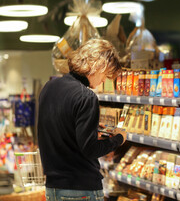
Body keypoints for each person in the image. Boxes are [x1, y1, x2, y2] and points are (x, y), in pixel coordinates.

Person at [38, 39, 127, 201]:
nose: (104, 81)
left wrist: (91, 129)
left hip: (53, 188)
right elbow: (90, 149)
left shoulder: (49, 87)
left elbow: (61, 130)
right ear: (98, 66)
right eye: (106, 75)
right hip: (81, 189)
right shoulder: (86, 97)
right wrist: (118, 139)